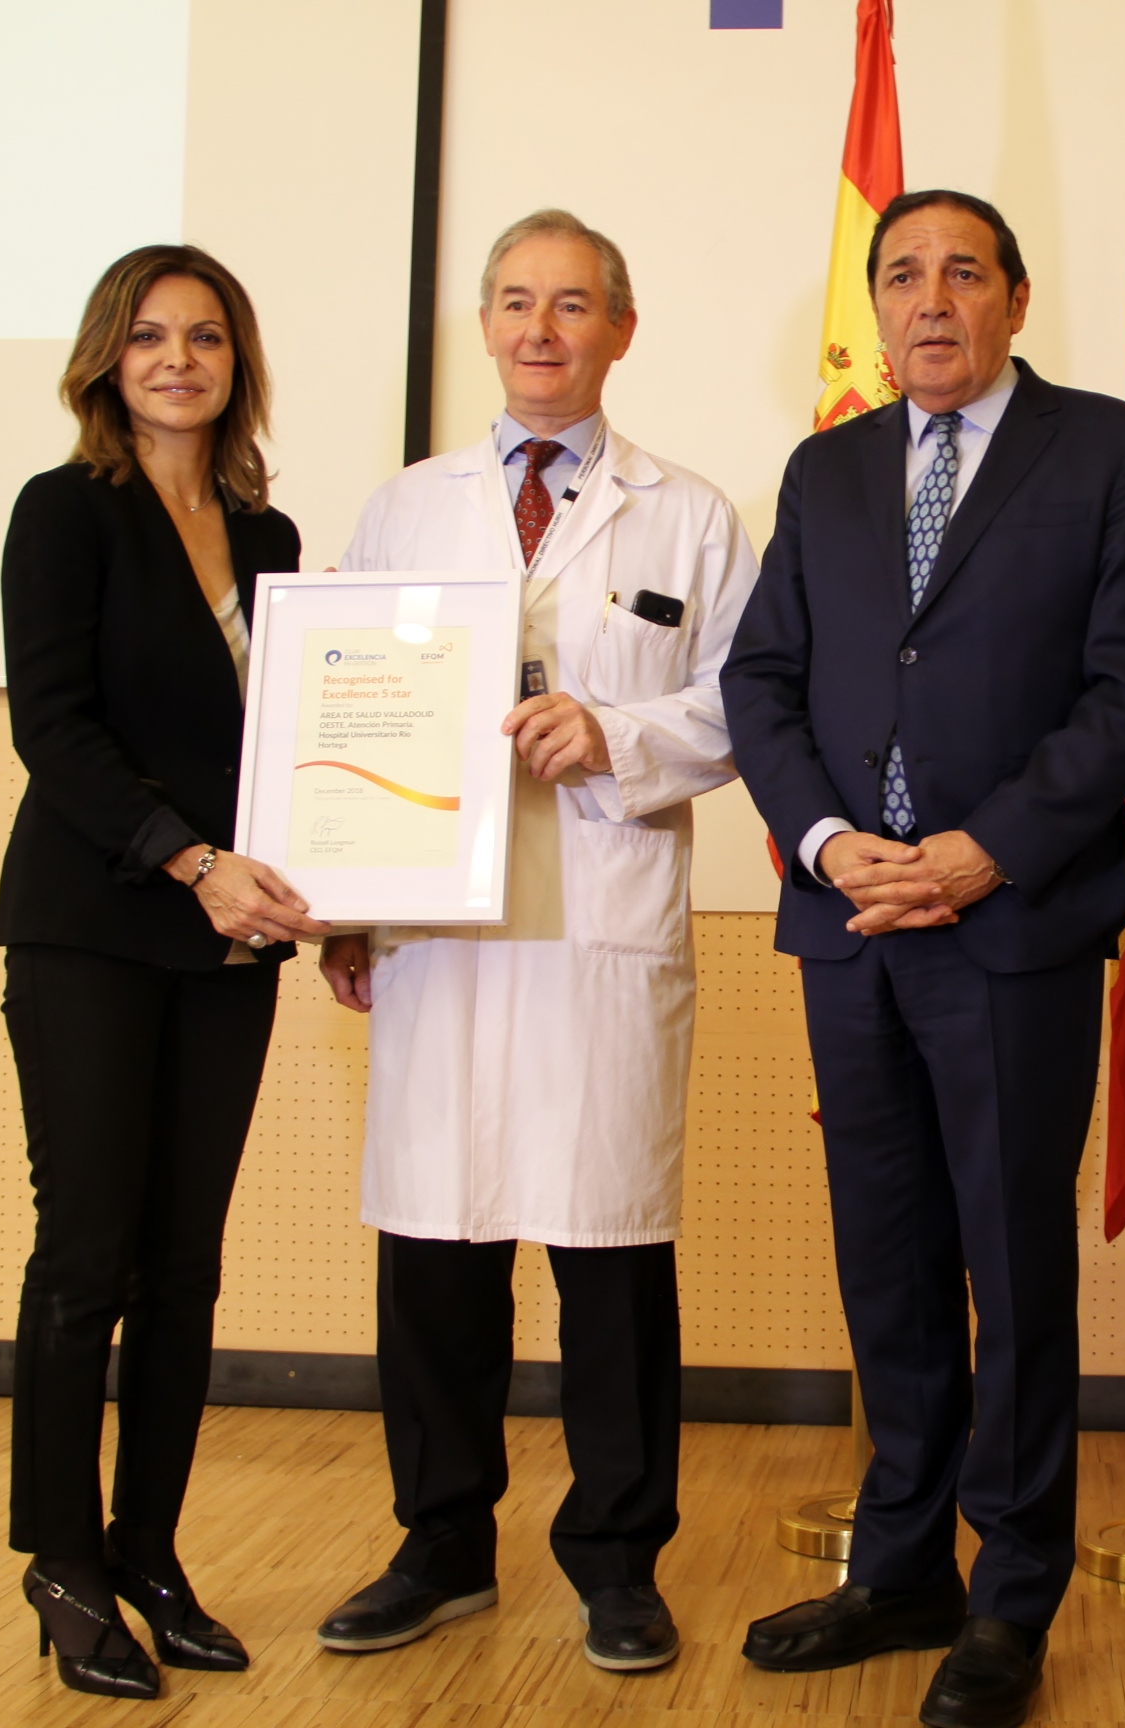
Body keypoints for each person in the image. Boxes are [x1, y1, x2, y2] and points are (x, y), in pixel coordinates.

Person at [722, 189, 1125, 1728]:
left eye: (964, 273)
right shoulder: (828, 469)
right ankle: (901, 1565)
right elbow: (762, 678)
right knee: (891, 1261)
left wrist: (991, 847)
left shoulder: (1108, 452)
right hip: (850, 922)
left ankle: (1011, 1596)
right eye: (903, 275)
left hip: (1013, 923)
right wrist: (822, 841)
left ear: (1016, 299)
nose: (932, 299)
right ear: (877, 307)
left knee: (1012, 1263)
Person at [309, 210, 756, 1675]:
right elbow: (344, 704)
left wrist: (611, 731)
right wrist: (347, 897)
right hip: (440, 928)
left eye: (572, 304)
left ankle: (618, 1562)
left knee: (609, 1249)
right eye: (515, 302)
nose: (540, 330)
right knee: (434, 1241)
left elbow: (747, 704)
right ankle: (439, 1544)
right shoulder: (406, 508)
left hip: (599, 926)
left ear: (621, 329)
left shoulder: (691, 516)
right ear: (487, 326)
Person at [0, 244, 328, 1700]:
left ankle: (149, 1553)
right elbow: (54, 731)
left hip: (229, 943)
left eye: (204, 337)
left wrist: (330, 883)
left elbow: (301, 746)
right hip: (93, 926)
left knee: (186, 1267)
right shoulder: (64, 512)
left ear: (236, 362)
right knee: (88, 1260)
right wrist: (194, 863)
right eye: (148, 337)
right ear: (106, 360)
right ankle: (64, 1562)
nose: (177, 361)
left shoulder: (270, 535)